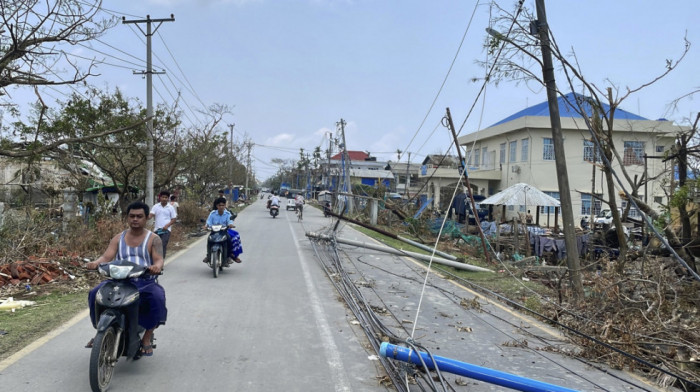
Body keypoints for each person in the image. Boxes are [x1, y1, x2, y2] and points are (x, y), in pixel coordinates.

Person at [86, 201, 167, 357]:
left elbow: (159, 259)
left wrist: (156, 266)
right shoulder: (118, 238)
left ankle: (147, 337)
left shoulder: (153, 239)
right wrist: (95, 263)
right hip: (119, 281)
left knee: (157, 297)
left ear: (146, 219)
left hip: (144, 281)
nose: (135, 219)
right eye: (132, 216)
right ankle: (100, 332)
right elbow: (106, 257)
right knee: (94, 293)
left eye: (139, 216)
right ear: (127, 218)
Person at [203, 197, 242, 265]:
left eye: (223, 205)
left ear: (225, 206)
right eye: (219, 205)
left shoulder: (227, 214)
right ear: (216, 206)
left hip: (224, 231)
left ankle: (229, 256)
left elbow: (230, 221)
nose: (221, 207)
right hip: (214, 232)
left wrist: (230, 224)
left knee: (229, 240)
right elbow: (209, 222)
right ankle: (208, 256)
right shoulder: (212, 213)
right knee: (209, 240)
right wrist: (206, 226)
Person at [149, 190, 177, 259]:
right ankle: (155, 260)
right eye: (163, 197)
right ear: (160, 198)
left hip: (166, 230)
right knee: (155, 245)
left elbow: (174, 219)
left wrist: (167, 226)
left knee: (163, 245)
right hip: (157, 230)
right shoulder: (156, 206)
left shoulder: (170, 207)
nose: (164, 199)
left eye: (166, 197)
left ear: (168, 198)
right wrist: (143, 217)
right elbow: (151, 215)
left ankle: (161, 261)